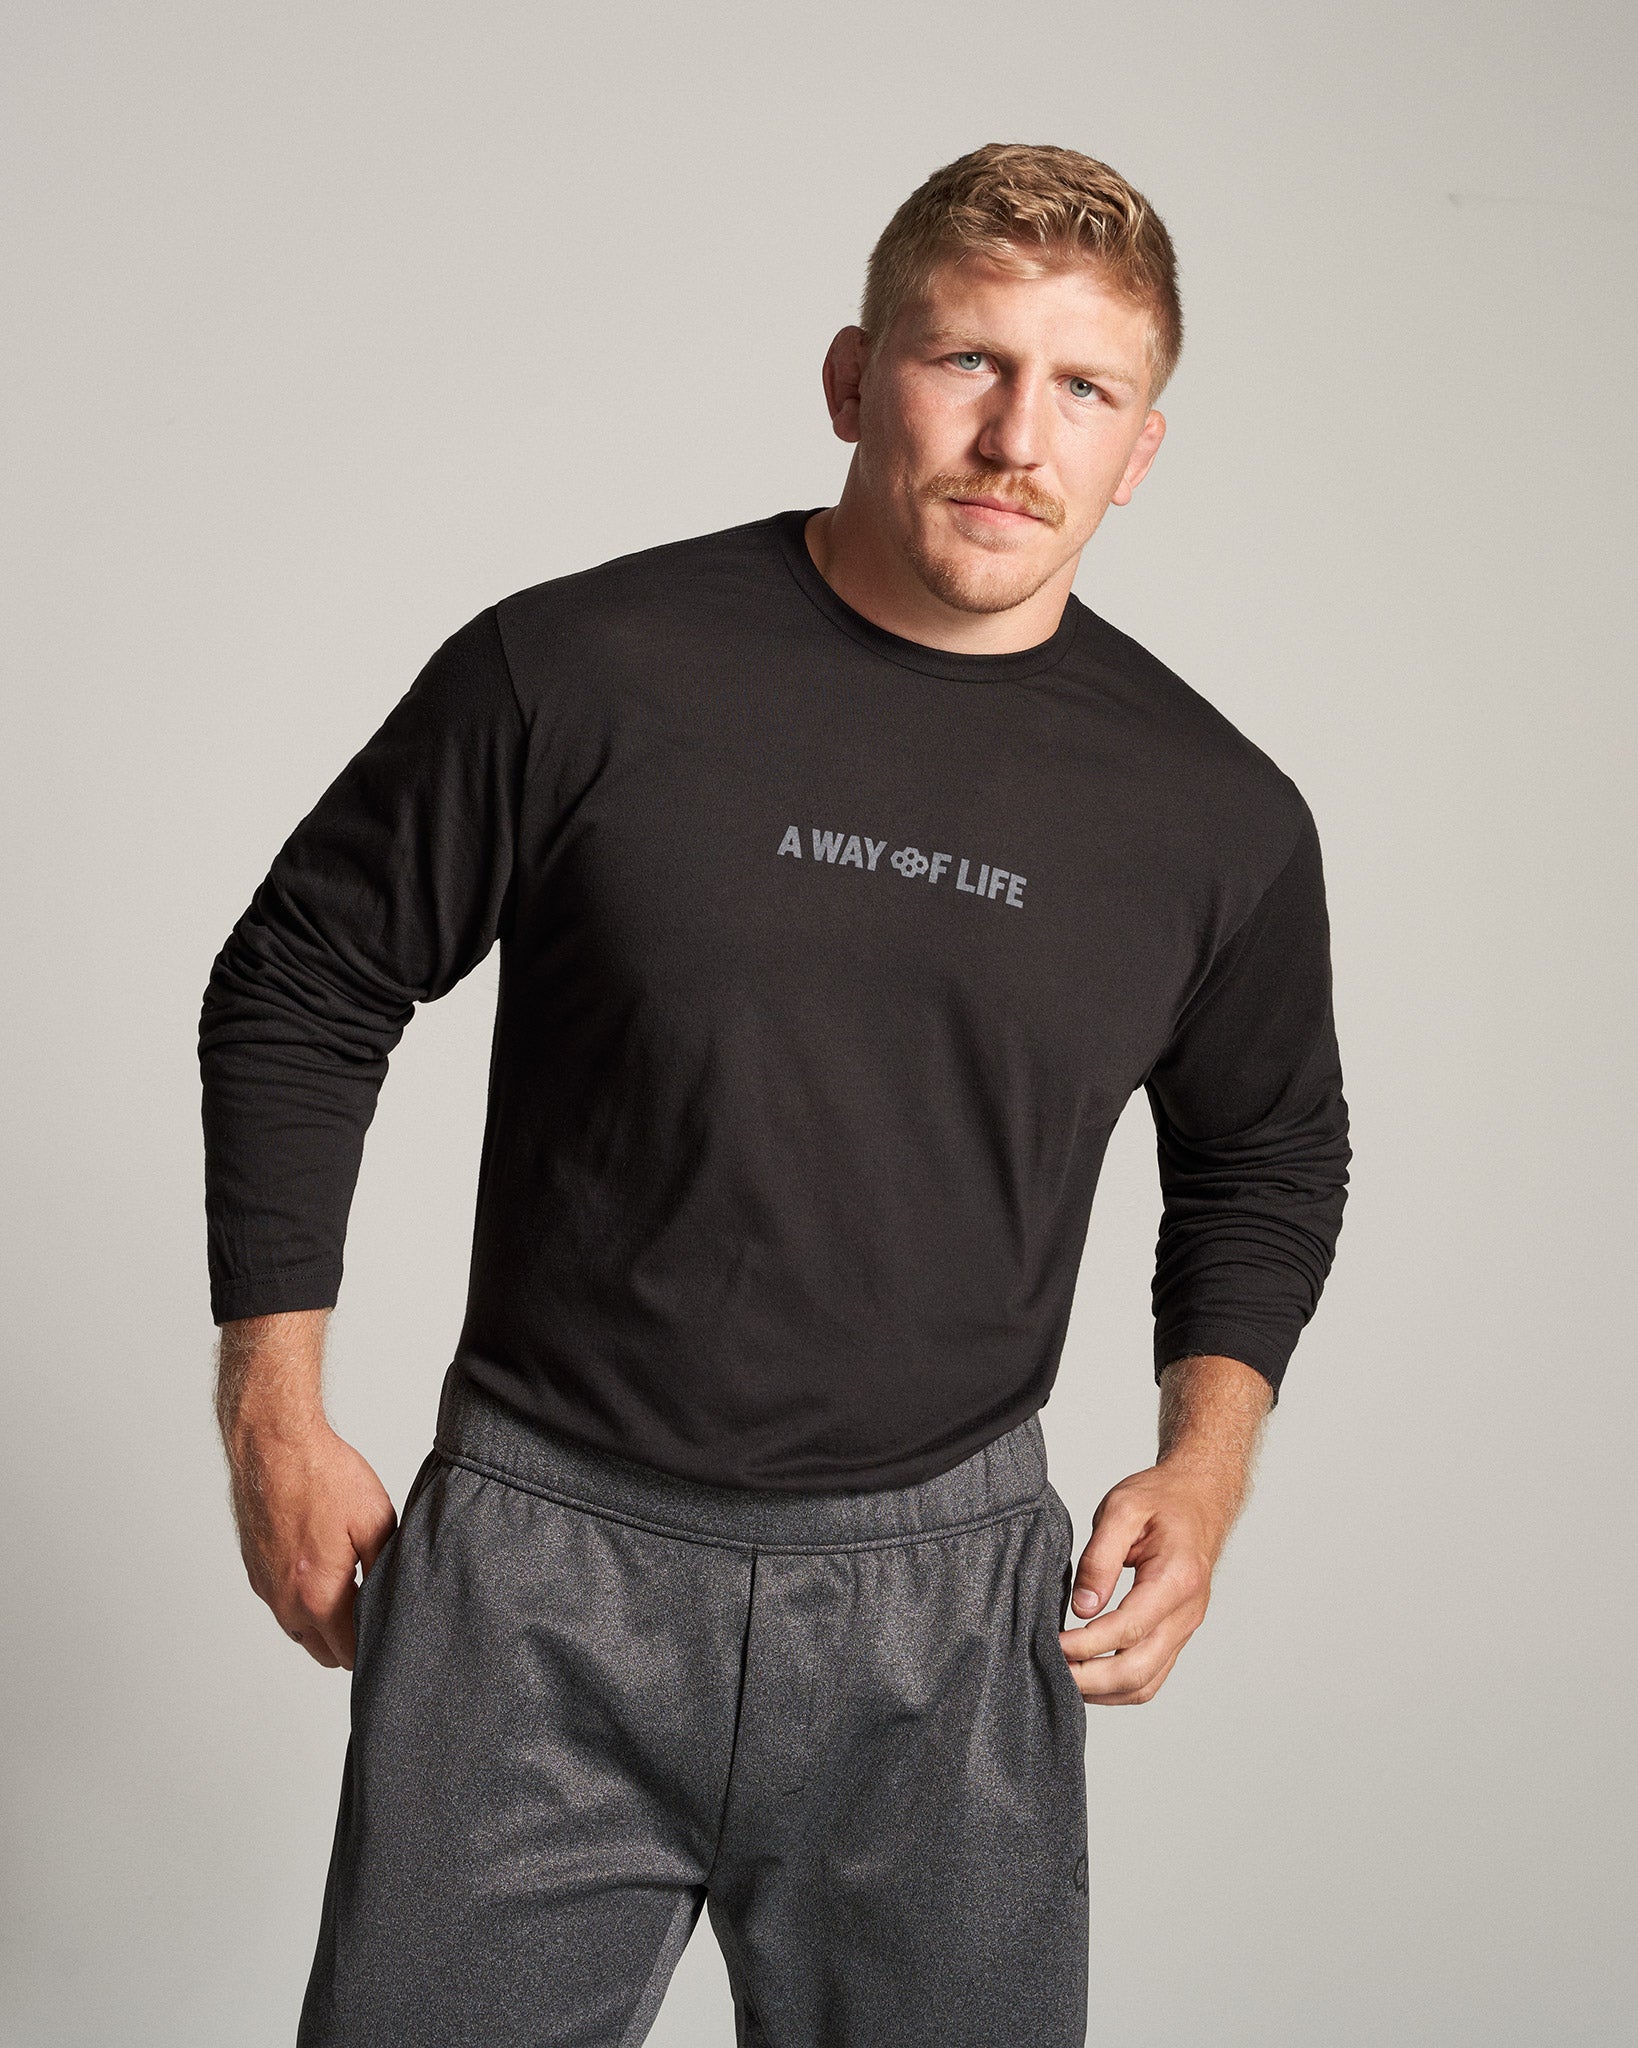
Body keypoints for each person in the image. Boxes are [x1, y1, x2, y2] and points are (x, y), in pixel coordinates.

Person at [201, 141, 1349, 2048]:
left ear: (1141, 446)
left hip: (945, 1612)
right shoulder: (580, 669)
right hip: (538, 1576)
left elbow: (1263, 1155)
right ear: (849, 377)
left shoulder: (1214, 815)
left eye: (1081, 388)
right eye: (962, 360)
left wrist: (1205, 1464)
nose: (1015, 436)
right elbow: (304, 983)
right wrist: (274, 1405)